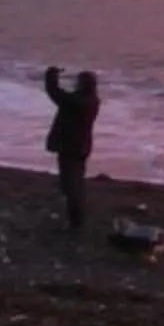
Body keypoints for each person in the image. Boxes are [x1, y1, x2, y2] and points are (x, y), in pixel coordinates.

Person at [42, 66, 100, 230]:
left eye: (78, 82)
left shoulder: (80, 102)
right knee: (75, 184)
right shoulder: (91, 100)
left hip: (71, 147)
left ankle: (76, 222)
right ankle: (76, 219)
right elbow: (62, 97)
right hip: (81, 147)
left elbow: (56, 94)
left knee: (70, 185)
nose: (76, 84)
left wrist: (51, 76)